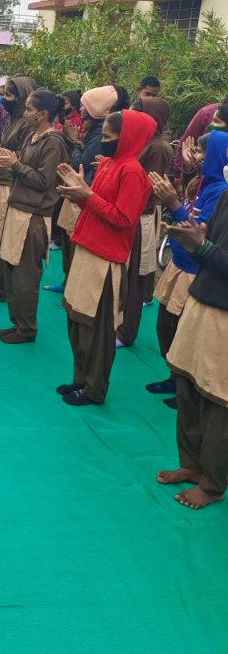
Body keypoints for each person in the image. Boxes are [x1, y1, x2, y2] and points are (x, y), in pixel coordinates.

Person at [56, 109, 157, 404]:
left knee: (97, 329)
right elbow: (96, 204)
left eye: (111, 137)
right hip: (87, 247)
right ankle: (80, 378)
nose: (105, 141)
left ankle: (94, 388)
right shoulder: (111, 163)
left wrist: (87, 196)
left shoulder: (132, 172)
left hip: (105, 258)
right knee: (76, 319)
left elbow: (124, 218)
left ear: (128, 138)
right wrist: (80, 193)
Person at [156, 176, 228, 509]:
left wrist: (201, 246)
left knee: (217, 400)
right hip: (201, 301)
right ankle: (192, 464)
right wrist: (178, 213)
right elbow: (206, 246)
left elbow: (208, 250)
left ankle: (213, 483)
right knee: (186, 385)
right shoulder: (226, 196)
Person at [147, 132, 228, 405]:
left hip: (193, 268)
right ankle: (176, 378)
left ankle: (185, 387)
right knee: (166, 328)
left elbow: (197, 231)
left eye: (205, 153)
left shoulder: (219, 192)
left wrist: (173, 204)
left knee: (180, 331)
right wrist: (190, 172)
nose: (199, 157)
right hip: (180, 264)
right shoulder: (204, 183)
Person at [0, 90, 69, 344]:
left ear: (42, 114)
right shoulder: (33, 136)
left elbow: (44, 181)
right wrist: (9, 162)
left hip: (33, 217)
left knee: (25, 277)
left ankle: (26, 328)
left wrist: (14, 165)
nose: (25, 113)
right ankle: (17, 322)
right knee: (12, 270)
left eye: (28, 109)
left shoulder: (53, 141)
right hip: (18, 212)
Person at [45, 85, 119, 293]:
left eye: (84, 106)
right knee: (69, 242)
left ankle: (73, 285)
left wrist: (75, 142)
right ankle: (68, 282)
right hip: (77, 192)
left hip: (83, 193)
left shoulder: (97, 134)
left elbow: (82, 163)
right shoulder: (93, 131)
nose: (80, 110)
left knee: (74, 243)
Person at [116, 97, 173, 348]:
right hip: (133, 212)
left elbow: (152, 186)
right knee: (126, 273)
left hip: (141, 215)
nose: (133, 113)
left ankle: (126, 332)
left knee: (135, 276)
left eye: (139, 110)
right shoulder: (144, 142)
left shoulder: (158, 148)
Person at [0, 76, 37, 303]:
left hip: (8, 185)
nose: (4, 99)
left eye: (10, 95)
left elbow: (21, 158)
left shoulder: (25, 124)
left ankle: (1, 288)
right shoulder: (14, 119)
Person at [173, 96, 228, 178]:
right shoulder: (206, 113)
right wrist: (186, 169)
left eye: (216, 121)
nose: (210, 125)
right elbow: (185, 144)